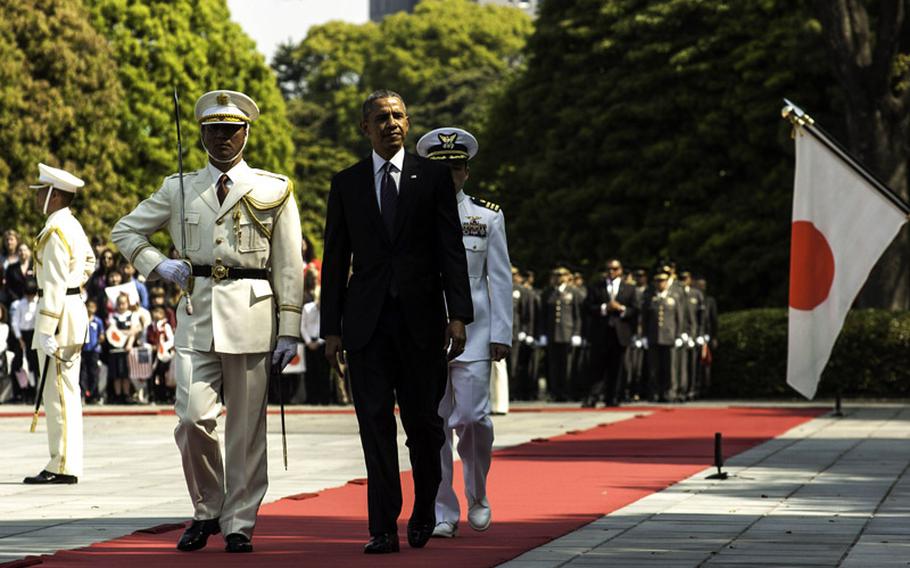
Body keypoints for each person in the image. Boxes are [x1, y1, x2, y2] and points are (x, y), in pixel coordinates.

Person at [112, 89, 303, 553]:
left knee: (244, 430)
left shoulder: (272, 188)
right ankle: (207, 508)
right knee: (192, 420)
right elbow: (126, 229)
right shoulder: (178, 187)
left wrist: (291, 327)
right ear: (201, 134)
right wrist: (157, 263)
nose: (222, 138)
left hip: (253, 313)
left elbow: (288, 263)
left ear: (246, 133)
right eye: (213, 130)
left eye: (231, 130)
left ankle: (239, 521)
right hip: (197, 314)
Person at [320, 90, 472, 554]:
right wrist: (332, 328)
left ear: (408, 122)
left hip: (421, 322)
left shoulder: (432, 178)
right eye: (382, 118)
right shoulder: (346, 183)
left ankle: (424, 508)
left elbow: (451, 249)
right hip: (365, 324)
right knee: (374, 425)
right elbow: (334, 260)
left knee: (424, 426)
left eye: (399, 116)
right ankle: (382, 525)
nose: (392, 124)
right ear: (365, 127)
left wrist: (459, 315)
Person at [415, 127, 511, 539]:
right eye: (442, 168)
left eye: (456, 168)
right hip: (425, 333)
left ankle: (478, 494)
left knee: (474, 419)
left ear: (466, 172)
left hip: (474, 330)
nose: (450, 175)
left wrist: (502, 331)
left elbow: (500, 278)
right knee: (434, 424)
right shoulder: (413, 215)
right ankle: (442, 510)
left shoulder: (486, 216)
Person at [23, 163, 96, 484]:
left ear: (54, 196)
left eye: (42, 192)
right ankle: (66, 461)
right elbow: (90, 262)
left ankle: (61, 464)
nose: (37, 197)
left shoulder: (54, 231)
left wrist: (45, 330)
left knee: (58, 394)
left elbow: (51, 284)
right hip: (72, 308)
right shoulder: (72, 225)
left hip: (58, 316)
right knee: (66, 391)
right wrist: (74, 283)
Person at [583, 260, 638, 407]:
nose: (611, 272)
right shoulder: (596, 287)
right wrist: (604, 308)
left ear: (620, 270)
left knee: (617, 366)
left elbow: (635, 309)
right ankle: (593, 396)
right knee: (597, 366)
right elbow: (588, 307)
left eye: (615, 269)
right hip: (601, 331)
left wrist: (621, 309)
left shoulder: (629, 288)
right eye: (609, 269)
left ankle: (612, 396)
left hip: (620, 332)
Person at [540, 267, 582, 402]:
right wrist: (542, 334)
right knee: (553, 365)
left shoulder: (573, 292)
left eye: (561, 275)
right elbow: (543, 315)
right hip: (552, 333)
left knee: (567, 366)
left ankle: (567, 392)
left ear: (567, 276)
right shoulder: (548, 293)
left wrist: (577, 333)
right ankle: (555, 392)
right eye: (556, 275)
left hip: (567, 333)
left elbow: (577, 315)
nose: (558, 277)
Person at [643, 271, 682, 402]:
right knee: (654, 368)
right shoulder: (650, 298)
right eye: (658, 282)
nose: (660, 284)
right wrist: (643, 335)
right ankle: (654, 393)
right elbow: (645, 318)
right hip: (654, 337)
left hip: (669, 337)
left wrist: (679, 335)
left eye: (663, 281)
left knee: (670, 368)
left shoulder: (674, 297)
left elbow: (679, 318)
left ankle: (669, 392)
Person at [80, 298, 104, 403]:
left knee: (94, 372)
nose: (90, 309)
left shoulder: (98, 321)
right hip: (84, 349)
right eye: (88, 306)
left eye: (92, 307)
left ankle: (94, 394)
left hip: (94, 350)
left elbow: (102, 334)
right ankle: (84, 392)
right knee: (83, 372)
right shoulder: (81, 320)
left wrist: (99, 340)